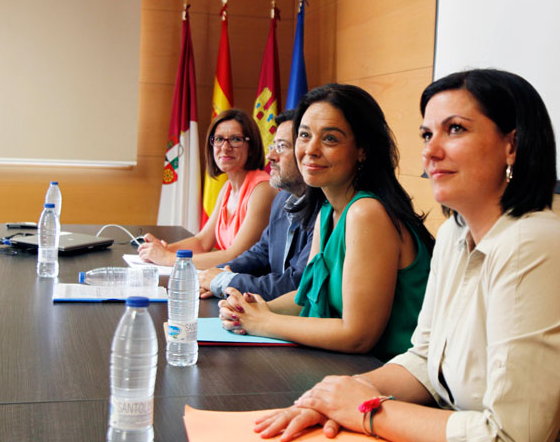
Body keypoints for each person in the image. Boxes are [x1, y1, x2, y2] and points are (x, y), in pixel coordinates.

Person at [254, 69, 560, 442]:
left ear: (513, 145)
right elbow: (423, 359)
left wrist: (366, 410)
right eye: (426, 133)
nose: (431, 151)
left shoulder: (536, 247)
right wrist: (337, 396)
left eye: (455, 129)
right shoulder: (457, 232)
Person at [219, 84, 435, 361]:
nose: (310, 149)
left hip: (390, 375)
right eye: (304, 135)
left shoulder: (366, 212)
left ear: (362, 150)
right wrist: (255, 309)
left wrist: (263, 322)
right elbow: (306, 297)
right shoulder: (326, 210)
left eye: (330, 139)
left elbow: (358, 336)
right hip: (343, 366)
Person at [198, 110, 316, 300]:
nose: (271, 156)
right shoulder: (282, 199)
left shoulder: (324, 209)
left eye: (282, 146)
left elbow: (297, 284)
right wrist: (214, 276)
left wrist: (225, 280)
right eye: (273, 146)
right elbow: (260, 254)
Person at [138, 109, 276, 270]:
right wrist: (164, 249)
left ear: (251, 147)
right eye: (219, 139)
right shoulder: (227, 188)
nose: (225, 147)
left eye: (235, 139)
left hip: (252, 287)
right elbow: (202, 242)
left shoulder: (262, 189)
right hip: (229, 280)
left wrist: (168, 258)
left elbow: (235, 256)